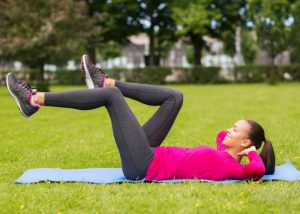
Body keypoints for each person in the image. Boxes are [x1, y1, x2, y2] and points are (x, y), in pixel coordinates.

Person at [6, 54, 276, 181]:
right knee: (175, 97)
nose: (228, 130)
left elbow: (257, 170)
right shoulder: (225, 155)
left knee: (112, 99)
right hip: (150, 152)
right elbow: (220, 138)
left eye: (236, 129)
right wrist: (240, 146)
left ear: (245, 143)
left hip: (145, 165)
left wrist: (253, 153)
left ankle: (33, 100)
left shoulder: (236, 168)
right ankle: (107, 82)